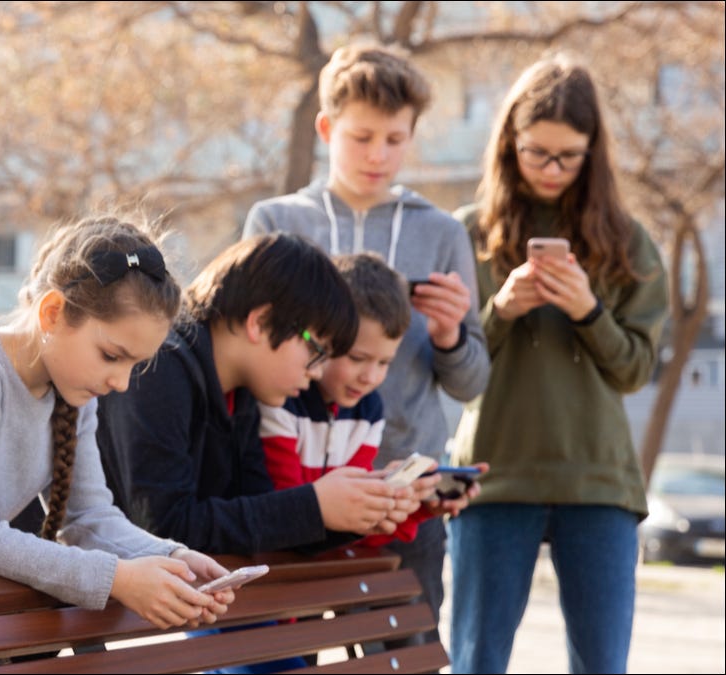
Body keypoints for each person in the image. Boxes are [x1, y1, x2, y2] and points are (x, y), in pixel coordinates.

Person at [0, 216, 234, 630]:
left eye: (136, 366)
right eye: (112, 355)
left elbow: (90, 518)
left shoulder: (75, 391)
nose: (121, 383)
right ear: (52, 313)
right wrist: (117, 578)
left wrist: (173, 559)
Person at [241, 42, 489, 646]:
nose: (379, 155)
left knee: (405, 658)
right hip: (295, 492)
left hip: (406, 497)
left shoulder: (442, 231)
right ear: (326, 128)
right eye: (361, 137)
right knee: (283, 655)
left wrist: (453, 335)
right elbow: (243, 354)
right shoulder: (275, 223)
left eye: (395, 139)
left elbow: (473, 382)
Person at [448, 54, 668, 674]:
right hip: (492, 474)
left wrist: (589, 311)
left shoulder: (627, 241)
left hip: (598, 481)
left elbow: (634, 372)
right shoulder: (468, 233)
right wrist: (502, 308)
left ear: (593, 152)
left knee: (602, 665)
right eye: (534, 152)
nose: (550, 169)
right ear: (507, 145)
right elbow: (453, 367)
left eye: (568, 155)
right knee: (477, 662)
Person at [96, 233, 429, 558]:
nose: (315, 372)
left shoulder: (244, 391)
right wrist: (314, 505)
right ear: (260, 321)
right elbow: (162, 526)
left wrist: (356, 512)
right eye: (316, 350)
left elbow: (261, 522)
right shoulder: (160, 367)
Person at [258, 252, 484, 550]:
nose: (370, 377)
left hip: (322, 574)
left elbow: (353, 527)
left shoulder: (368, 411)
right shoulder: (281, 401)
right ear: (322, 339)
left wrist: (417, 508)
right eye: (357, 358)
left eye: (384, 363)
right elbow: (290, 517)